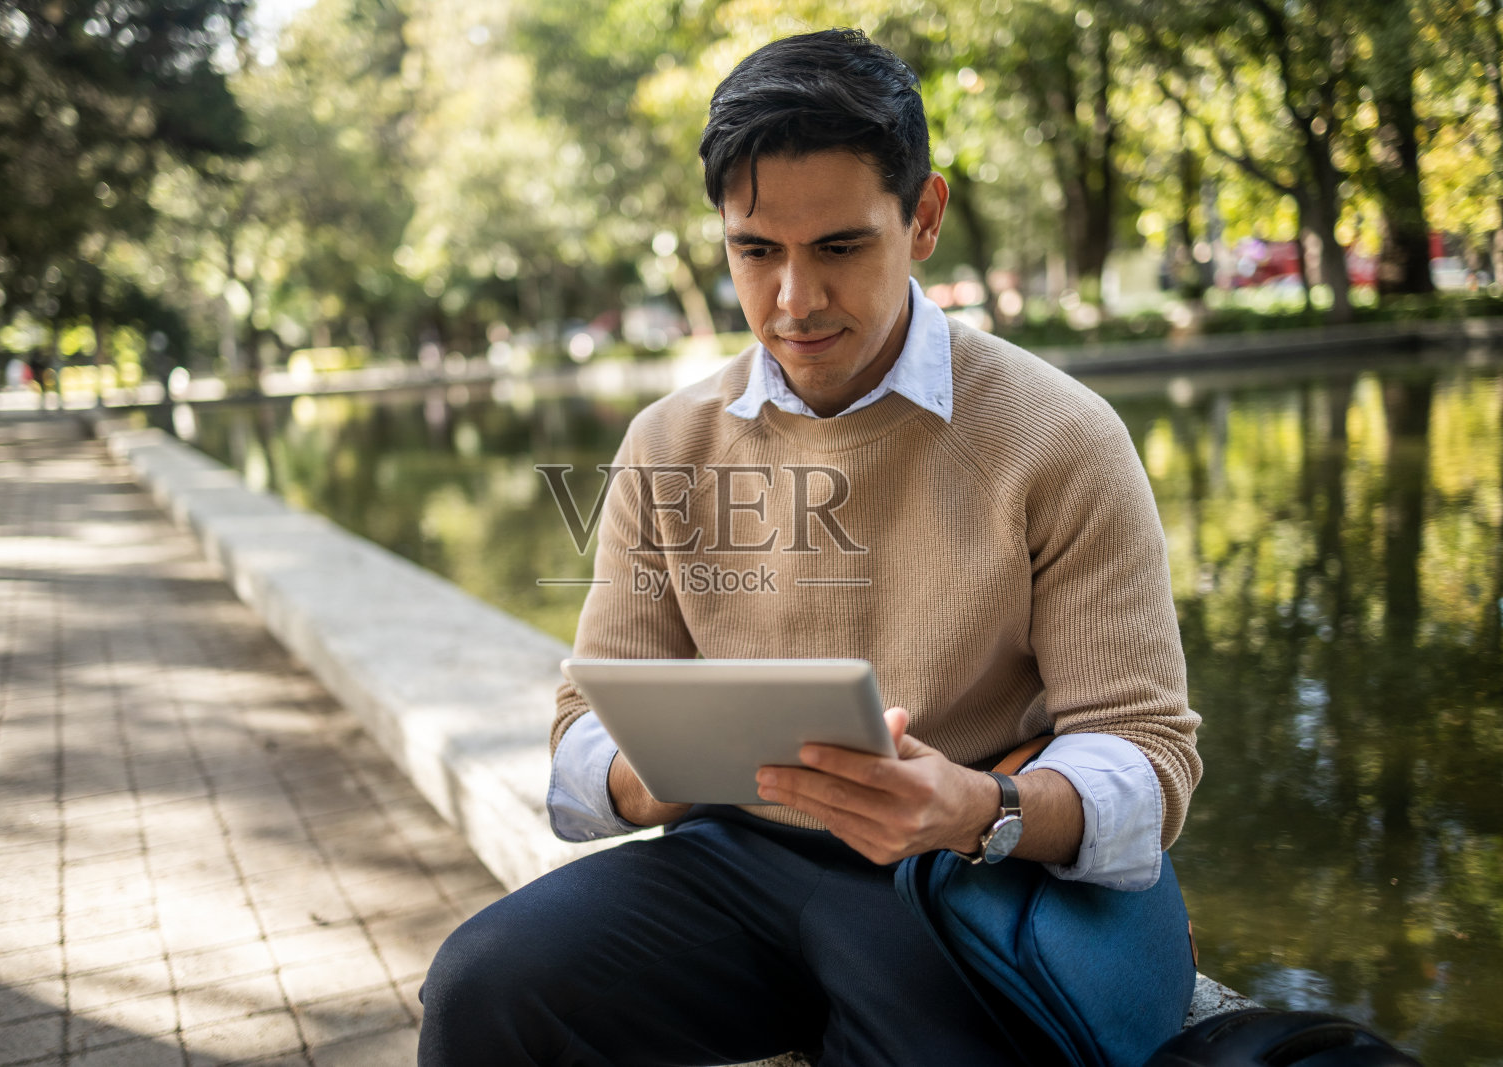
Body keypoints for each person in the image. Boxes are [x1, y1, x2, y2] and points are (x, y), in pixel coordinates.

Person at [418, 29, 1201, 1066]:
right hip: (730, 858)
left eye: (838, 246)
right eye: (756, 250)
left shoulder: (1060, 435)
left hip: (952, 880)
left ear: (923, 217)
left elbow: (1148, 755)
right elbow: (578, 733)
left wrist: (980, 804)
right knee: (484, 986)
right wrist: (645, 778)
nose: (794, 300)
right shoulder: (668, 441)